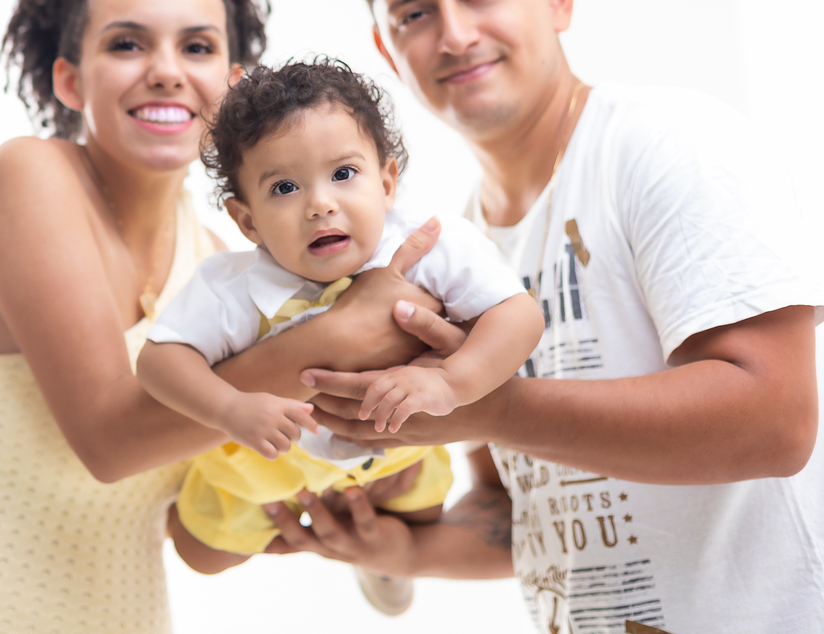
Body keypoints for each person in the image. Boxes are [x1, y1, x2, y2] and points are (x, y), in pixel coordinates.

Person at [264, 0, 824, 633]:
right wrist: (401, 549)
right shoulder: (461, 244)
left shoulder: (666, 144)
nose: (455, 34)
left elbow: (775, 421)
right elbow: (527, 502)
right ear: (388, 51)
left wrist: (493, 407)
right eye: (415, 14)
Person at [0, 0, 446, 633]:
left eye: (198, 47)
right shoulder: (30, 177)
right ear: (70, 81)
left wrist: (352, 493)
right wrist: (344, 332)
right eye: (127, 44)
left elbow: (194, 522)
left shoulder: (218, 264)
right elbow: (110, 443)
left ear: (234, 85)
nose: (167, 72)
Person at [136, 59, 542, 567]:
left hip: (395, 448)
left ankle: (385, 569)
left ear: (387, 183)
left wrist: (452, 382)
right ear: (247, 221)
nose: (320, 204)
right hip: (275, 465)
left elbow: (518, 314)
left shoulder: (430, 246)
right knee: (202, 553)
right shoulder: (229, 285)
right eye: (285, 188)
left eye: (344, 174)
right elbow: (158, 360)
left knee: (422, 508)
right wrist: (228, 409)